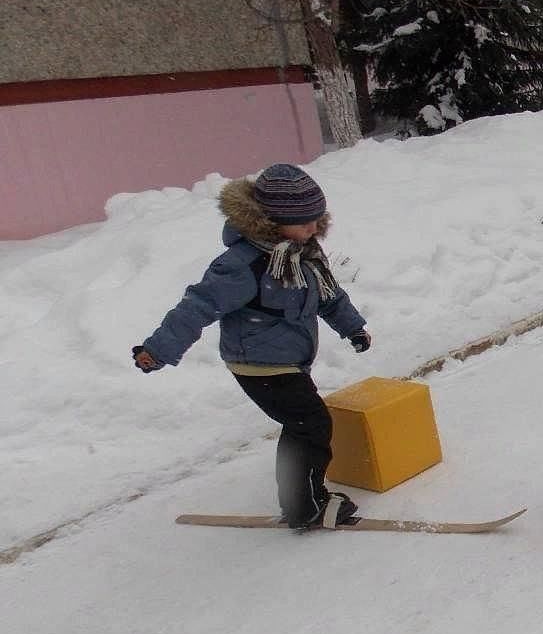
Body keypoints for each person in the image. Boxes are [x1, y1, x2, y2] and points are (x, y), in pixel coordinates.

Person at [132, 165, 372, 530]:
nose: (313, 229)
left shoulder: (303, 253)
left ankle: (301, 498)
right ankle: (306, 506)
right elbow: (197, 306)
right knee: (309, 423)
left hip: (287, 360)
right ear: (274, 221)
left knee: (303, 423)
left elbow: (328, 296)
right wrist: (159, 349)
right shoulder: (244, 264)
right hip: (257, 363)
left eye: (317, 220)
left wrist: (353, 327)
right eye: (305, 222)